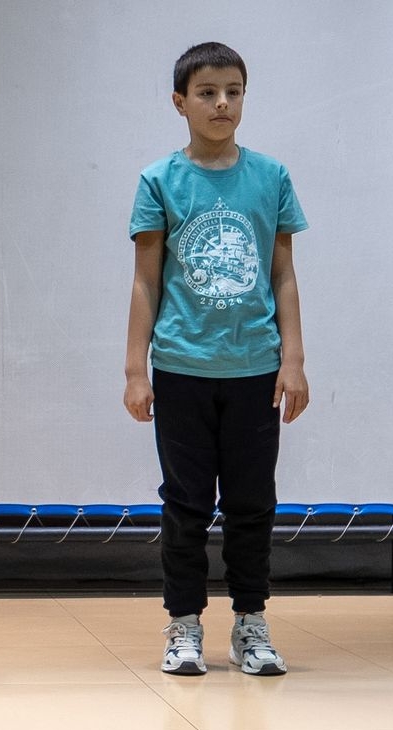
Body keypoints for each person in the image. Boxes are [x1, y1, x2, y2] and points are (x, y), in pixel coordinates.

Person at [123, 42, 309, 677]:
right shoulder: (159, 181)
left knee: (253, 502)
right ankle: (183, 624)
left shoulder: (271, 177)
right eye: (207, 92)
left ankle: (251, 622)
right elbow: (146, 280)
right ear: (180, 102)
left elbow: (283, 274)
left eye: (233, 91)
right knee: (186, 504)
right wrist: (135, 370)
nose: (222, 103)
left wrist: (293, 359)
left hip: (256, 370)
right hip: (182, 368)